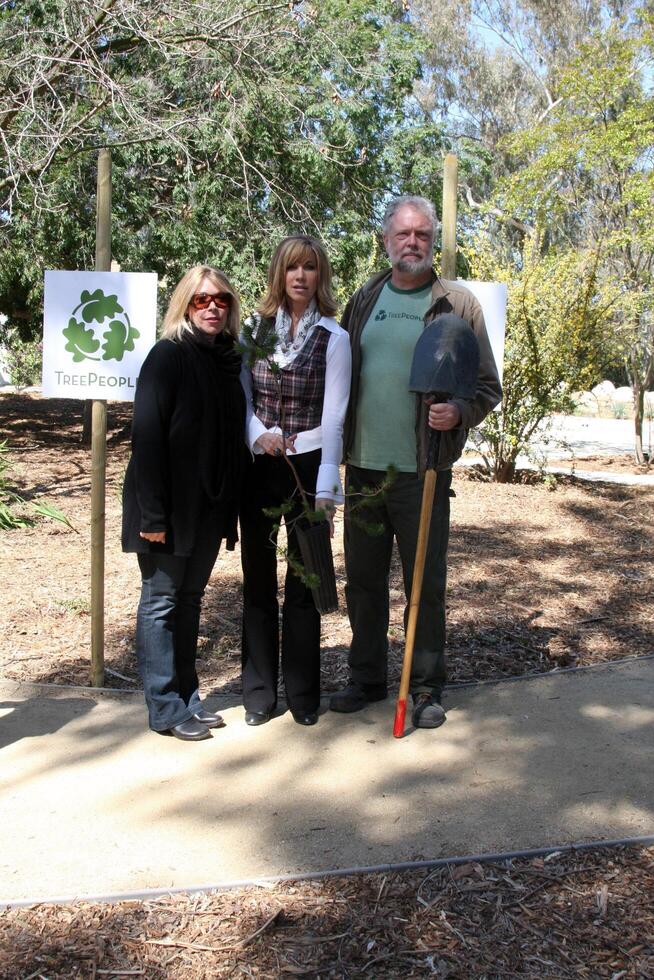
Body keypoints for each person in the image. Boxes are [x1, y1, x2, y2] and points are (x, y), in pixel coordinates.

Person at [329, 195, 502, 729]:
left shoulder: (459, 304)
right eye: (403, 235)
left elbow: (487, 387)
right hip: (363, 469)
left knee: (424, 584)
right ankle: (366, 677)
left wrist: (459, 411)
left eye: (423, 236)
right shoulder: (366, 298)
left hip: (422, 471)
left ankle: (425, 688)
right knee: (363, 581)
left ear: (434, 242)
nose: (412, 243)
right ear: (386, 240)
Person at [122, 265, 247, 741]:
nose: (213, 306)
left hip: (207, 509)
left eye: (221, 300)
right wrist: (152, 517)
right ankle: (164, 708)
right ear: (185, 306)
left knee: (189, 602)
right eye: (201, 300)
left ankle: (187, 698)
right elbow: (147, 440)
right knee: (161, 603)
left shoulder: (225, 360)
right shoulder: (167, 356)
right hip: (166, 512)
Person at [240, 235, 351, 727]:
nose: (301, 276)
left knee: (305, 583)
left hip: (308, 471)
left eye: (310, 267)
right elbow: (239, 398)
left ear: (319, 275)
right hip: (260, 469)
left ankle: (304, 695)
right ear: (279, 274)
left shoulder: (335, 337)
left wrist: (327, 488)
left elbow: (335, 416)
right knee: (258, 581)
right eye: (292, 268)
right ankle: (260, 693)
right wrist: (257, 434)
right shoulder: (254, 330)